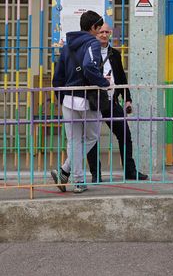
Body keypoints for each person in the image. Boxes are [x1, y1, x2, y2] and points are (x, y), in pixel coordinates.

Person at [50, 10, 112, 193]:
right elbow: (88, 67)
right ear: (93, 28)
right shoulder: (92, 43)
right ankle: (67, 171)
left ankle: (70, 176)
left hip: (68, 99)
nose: (101, 32)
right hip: (85, 98)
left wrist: (61, 99)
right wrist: (103, 83)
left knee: (74, 140)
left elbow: (57, 77)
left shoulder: (67, 45)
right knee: (92, 137)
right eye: (99, 28)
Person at [86, 23, 148, 182]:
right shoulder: (89, 51)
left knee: (125, 135)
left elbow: (121, 77)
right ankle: (96, 174)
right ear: (95, 33)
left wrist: (127, 99)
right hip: (93, 101)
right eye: (101, 32)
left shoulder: (115, 54)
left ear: (110, 33)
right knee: (92, 138)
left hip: (111, 101)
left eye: (106, 32)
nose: (103, 35)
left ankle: (130, 171)